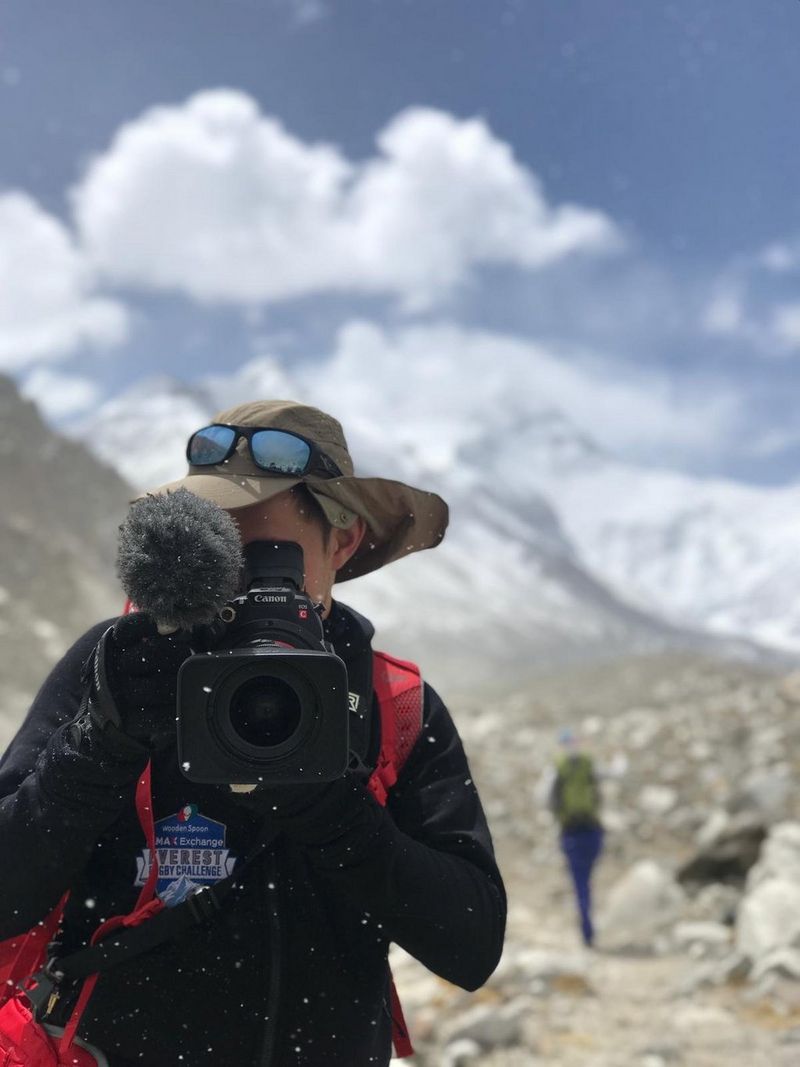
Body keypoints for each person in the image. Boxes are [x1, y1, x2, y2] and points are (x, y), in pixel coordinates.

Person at [0, 399, 506, 1067]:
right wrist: (103, 741)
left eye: (265, 555)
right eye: (211, 551)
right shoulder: (121, 668)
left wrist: (331, 810)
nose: (233, 582)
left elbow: (471, 944)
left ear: (343, 540)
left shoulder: (392, 703)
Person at [549, 729, 603, 947]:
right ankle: (589, 928)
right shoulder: (587, 764)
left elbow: (547, 799)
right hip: (592, 830)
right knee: (588, 880)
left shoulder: (558, 768)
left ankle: (587, 931)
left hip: (571, 832)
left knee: (580, 883)